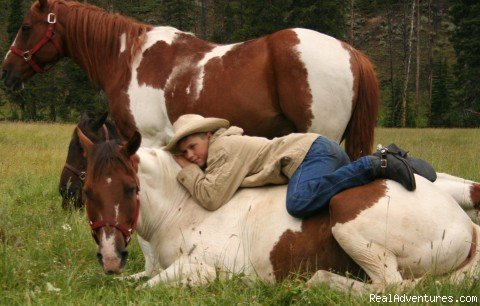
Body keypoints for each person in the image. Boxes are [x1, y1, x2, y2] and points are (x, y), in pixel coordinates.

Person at [165, 114, 434, 218]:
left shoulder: (222, 149)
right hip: (320, 149)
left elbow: (212, 198)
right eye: (184, 151)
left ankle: (376, 163)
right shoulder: (221, 149)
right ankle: (394, 156)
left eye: (192, 146)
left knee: (299, 202)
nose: (189, 154)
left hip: (310, 154)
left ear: (208, 136)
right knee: (339, 187)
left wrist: (186, 171)